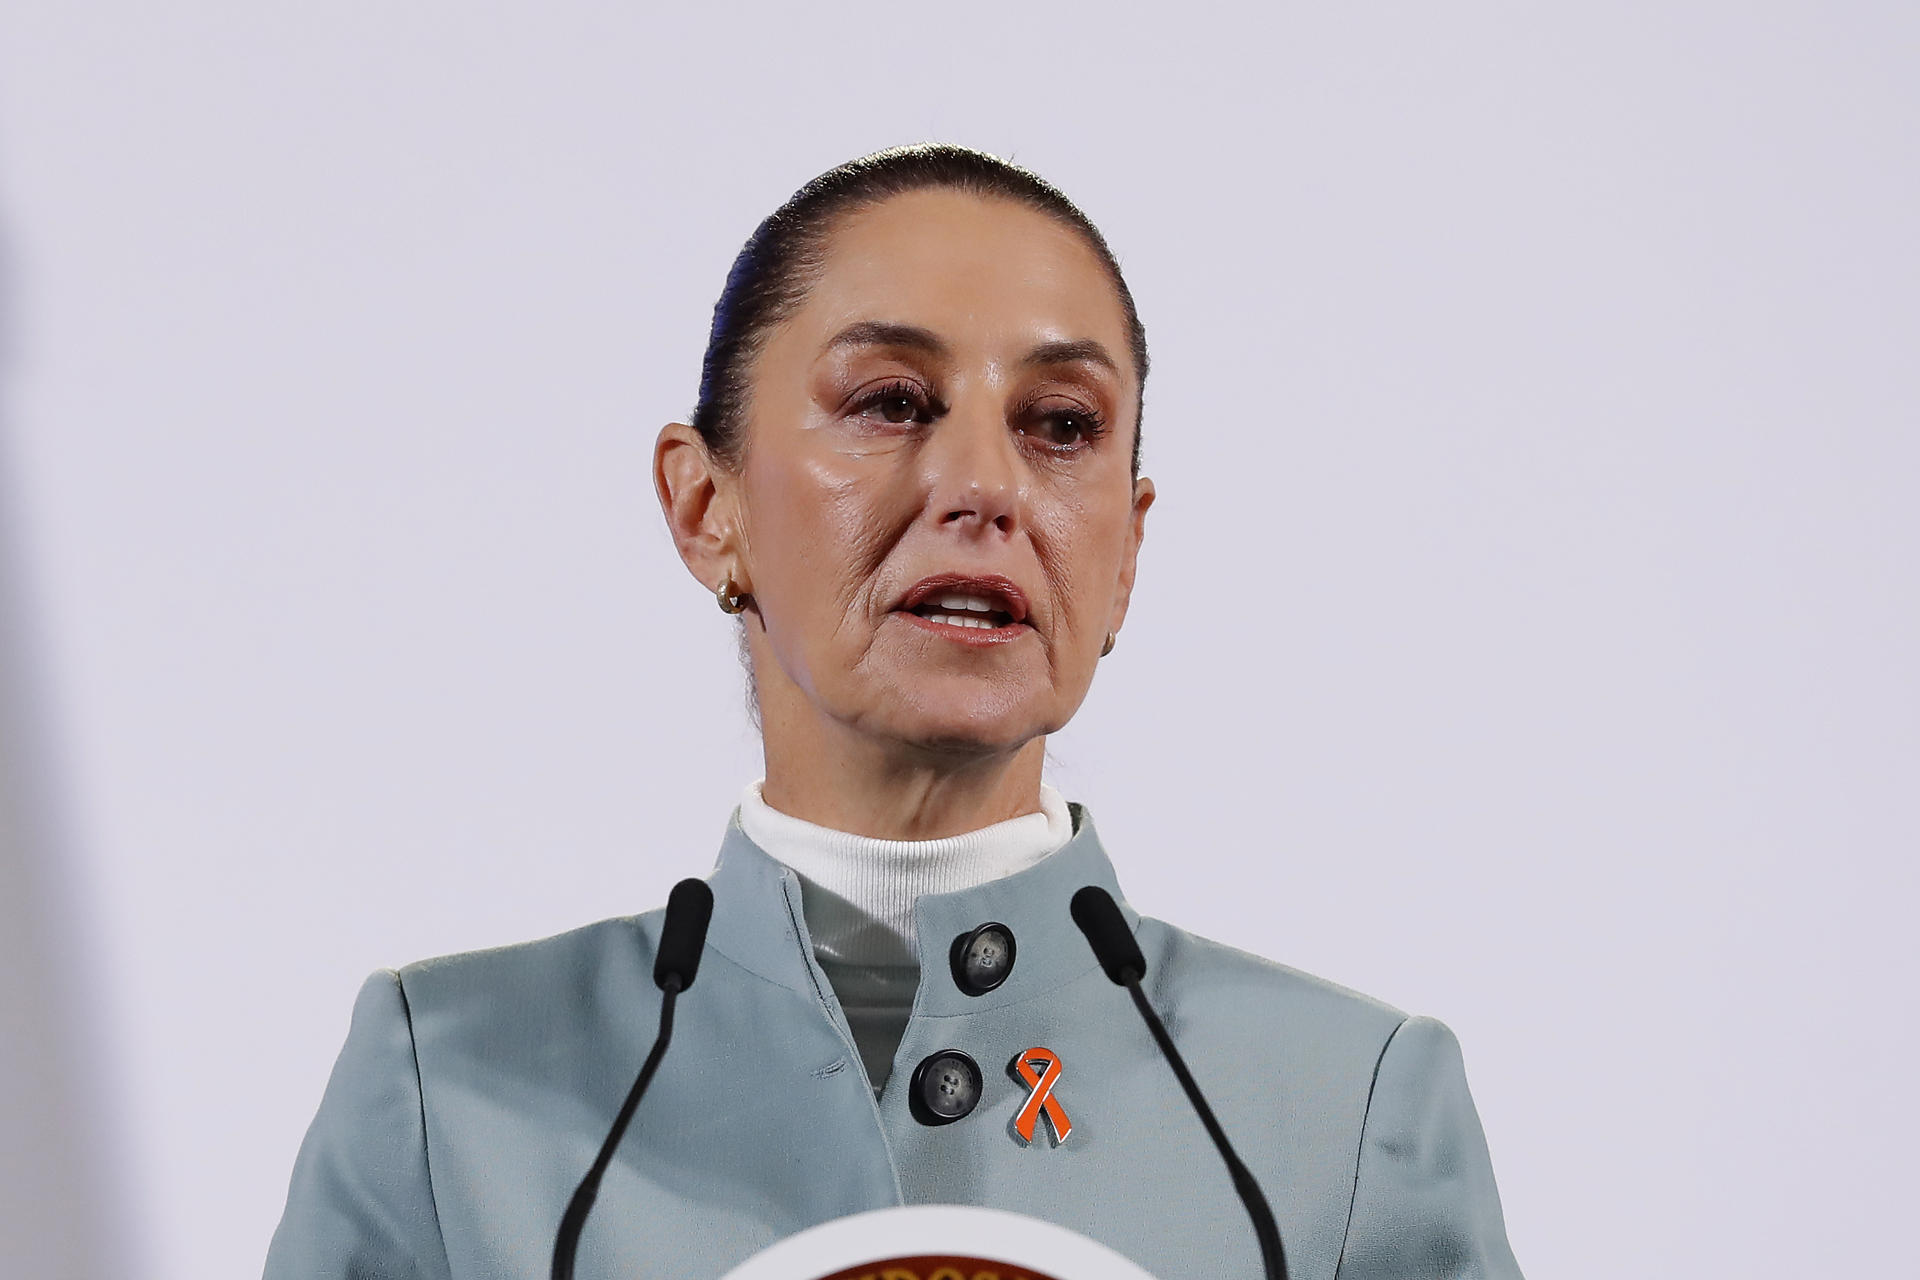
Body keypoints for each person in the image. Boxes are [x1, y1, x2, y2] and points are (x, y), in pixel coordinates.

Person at [265, 144, 1525, 1280]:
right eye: (890, 402)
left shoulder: (1343, 1112)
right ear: (708, 507)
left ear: (1126, 553)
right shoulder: (453, 1087)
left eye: (1062, 425)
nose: (984, 484)